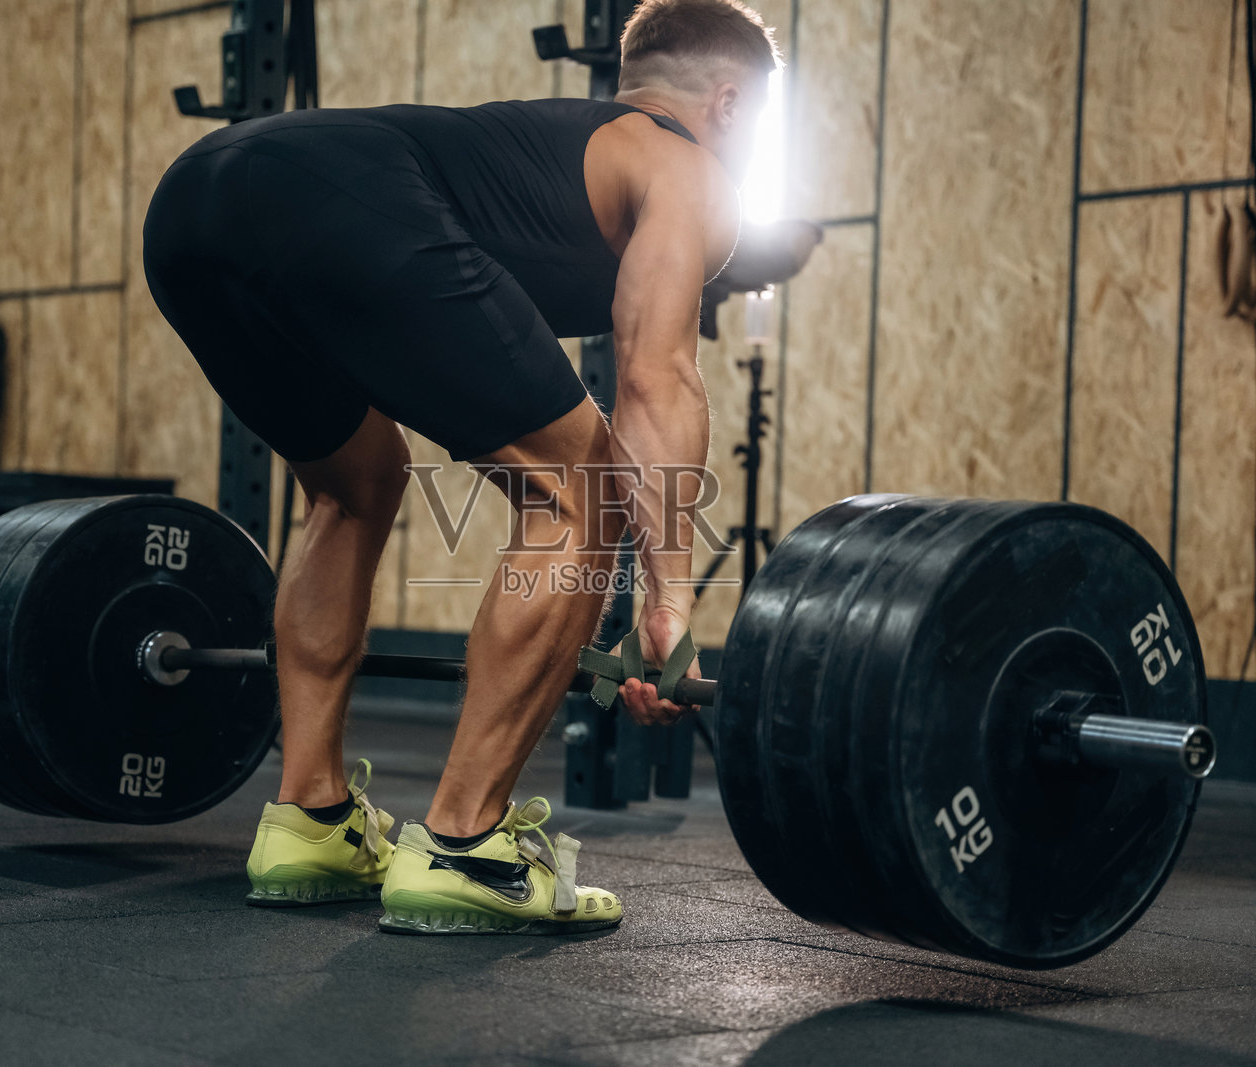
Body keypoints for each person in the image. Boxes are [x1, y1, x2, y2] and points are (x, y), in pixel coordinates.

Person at [143, 0, 793, 935]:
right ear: (729, 103)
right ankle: (464, 844)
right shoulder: (687, 166)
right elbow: (658, 380)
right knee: (586, 492)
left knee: (355, 485)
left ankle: (309, 822)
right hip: (341, 195)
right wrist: (670, 605)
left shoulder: (561, 143)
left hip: (195, 202)